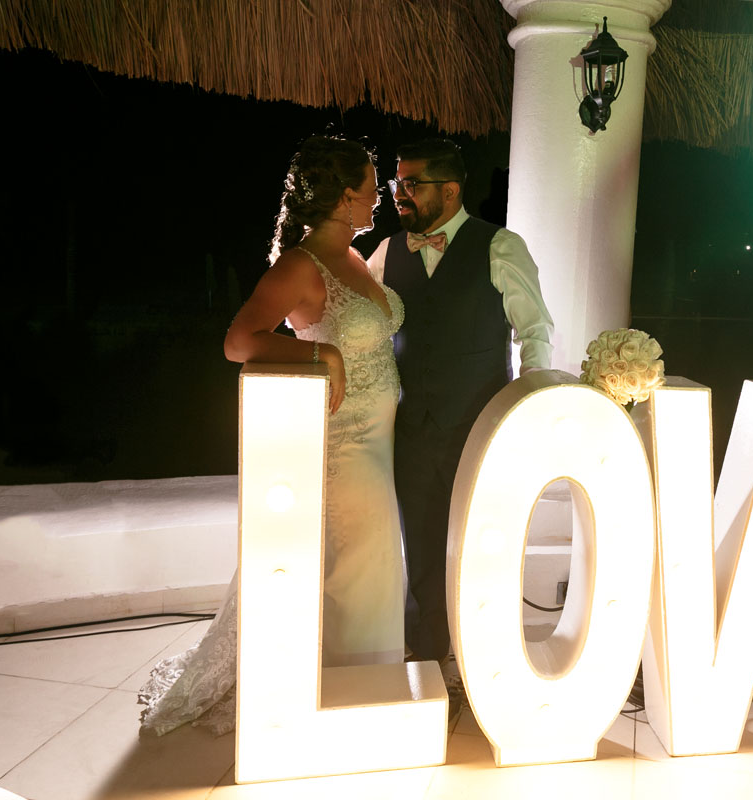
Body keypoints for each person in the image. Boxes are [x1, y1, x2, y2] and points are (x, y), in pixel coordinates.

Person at [138, 134, 405, 735]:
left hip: (380, 441)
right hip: (343, 442)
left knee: (374, 567)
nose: (378, 199)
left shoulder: (357, 258)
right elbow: (238, 341)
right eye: (370, 188)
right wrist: (322, 355)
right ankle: (345, 694)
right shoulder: (300, 265)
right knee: (358, 570)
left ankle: (364, 686)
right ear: (341, 197)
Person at [365, 139, 554, 674]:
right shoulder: (386, 252)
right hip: (411, 424)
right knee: (420, 538)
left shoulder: (500, 246)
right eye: (396, 183)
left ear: (449, 190)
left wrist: (530, 404)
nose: (398, 194)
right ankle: (428, 652)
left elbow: (534, 329)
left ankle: (484, 654)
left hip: (480, 423)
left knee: (480, 540)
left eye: (410, 184)